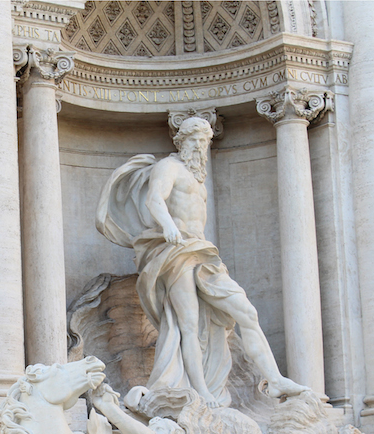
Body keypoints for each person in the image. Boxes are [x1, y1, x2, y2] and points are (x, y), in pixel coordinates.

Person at [96, 117, 306, 407]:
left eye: (204, 142)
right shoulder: (168, 167)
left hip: (203, 253)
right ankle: (200, 392)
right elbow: (154, 199)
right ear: (181, 142)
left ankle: (275, 379)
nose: (199, 147)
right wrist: (168, 226)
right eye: (194, 140)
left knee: (246, 312)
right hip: (175, 252)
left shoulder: (198, 179)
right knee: (188, 326)